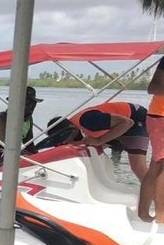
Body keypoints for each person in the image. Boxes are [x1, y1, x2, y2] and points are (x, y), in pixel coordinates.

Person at [69, 102, 149, 181]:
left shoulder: (89, 121)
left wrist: (99, 140)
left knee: (138, 167)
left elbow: (127, 122)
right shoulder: (75, 124)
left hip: (136, 119)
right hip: (118, 124)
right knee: (93, 149)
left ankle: (155, 192)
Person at [0, 85, 42, 166]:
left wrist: (39, 156)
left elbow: (29, 143)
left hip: (15, 148)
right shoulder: (2, 118)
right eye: (27, 103)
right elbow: (8, 144)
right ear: (16, 103)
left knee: (34, 157)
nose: (31, 106)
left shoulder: (29, 119)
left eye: (33, 103)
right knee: (16, 157)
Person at [141, 57, 164, 222]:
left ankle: (144, 214)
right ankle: (161, 216)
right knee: (160, 166)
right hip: (160, 116)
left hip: (158, 116)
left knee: (156, 166)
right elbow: (153, 87)